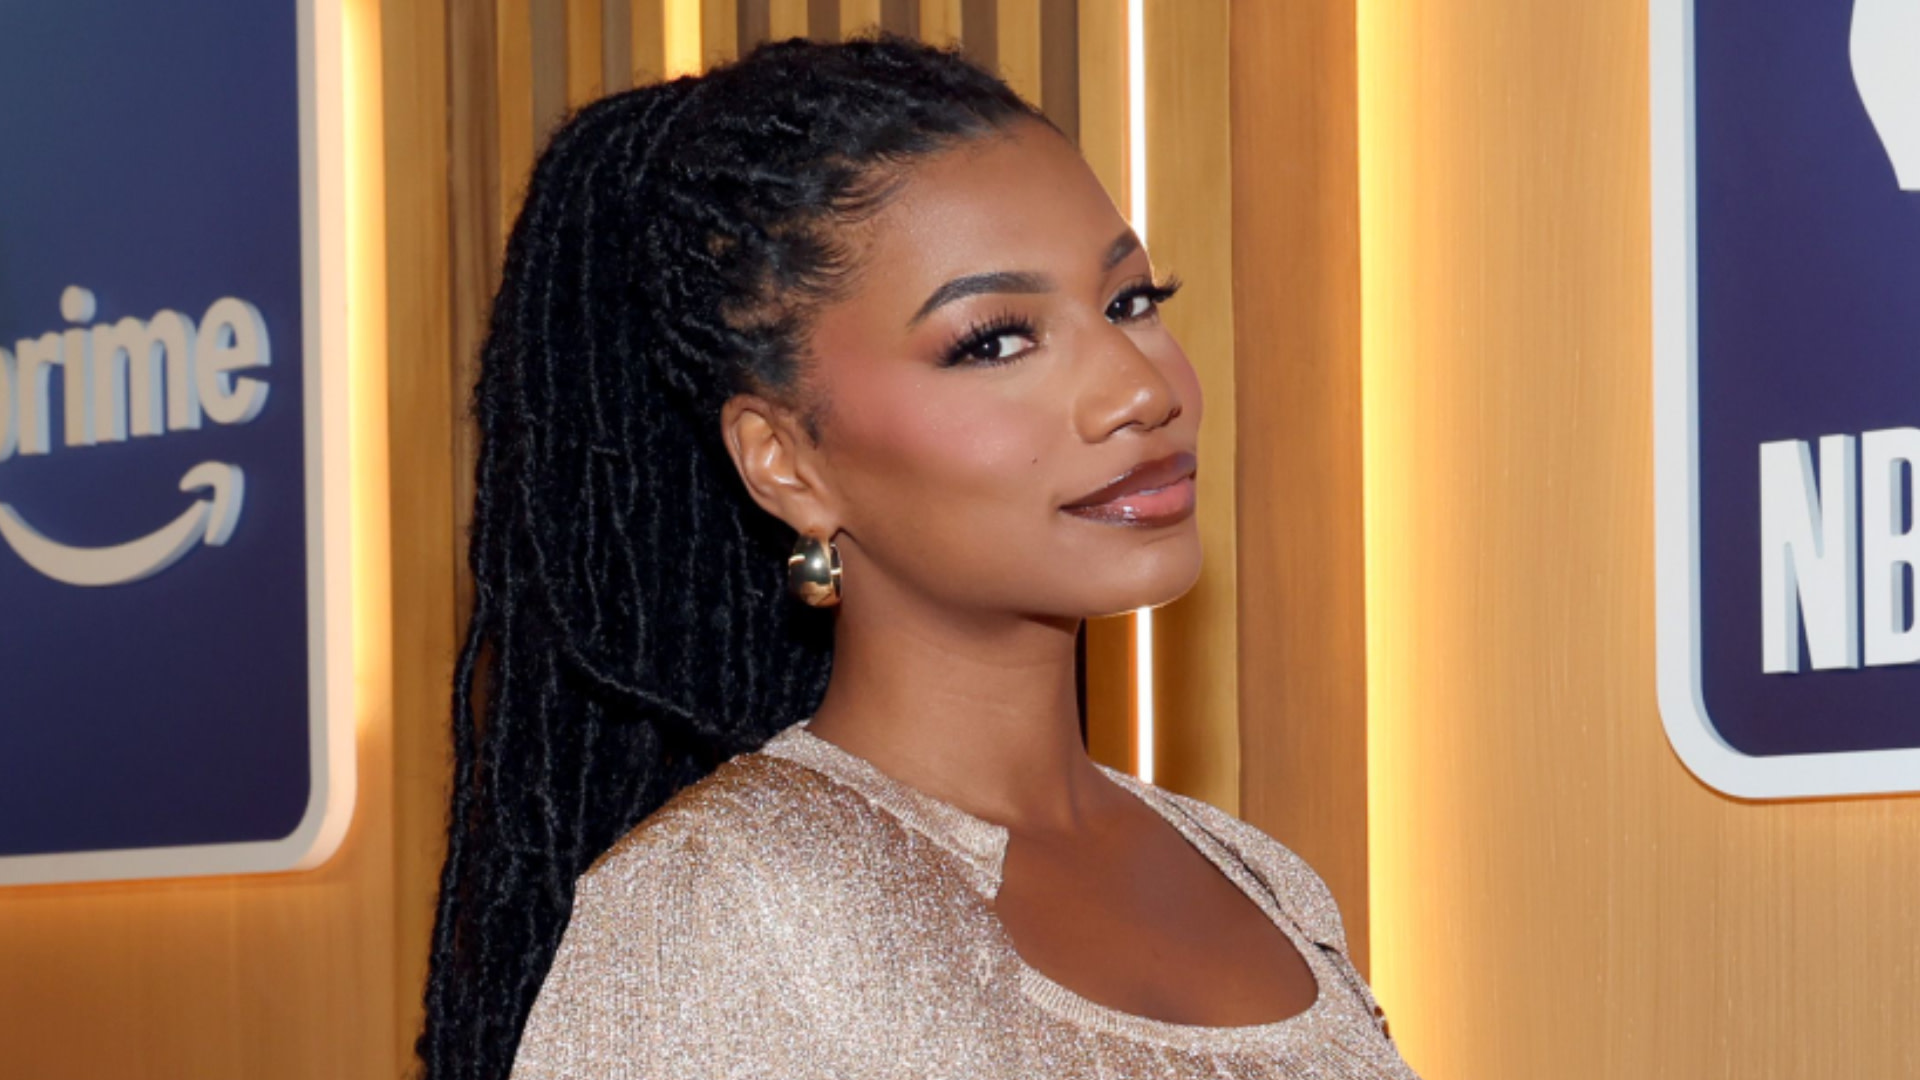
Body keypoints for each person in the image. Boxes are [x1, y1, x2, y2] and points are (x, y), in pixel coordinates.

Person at [416, 33, 1419, 1080]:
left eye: (1130, 302)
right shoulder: (722, 908)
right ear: (787, 462)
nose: (1141, 389)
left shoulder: (1266, 883)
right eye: (994, 340)